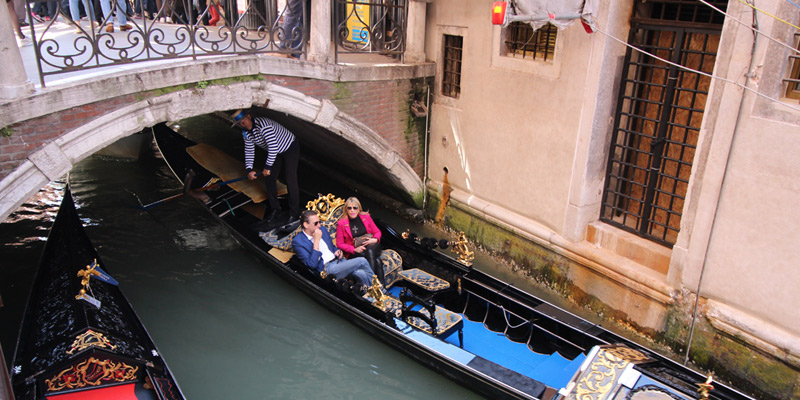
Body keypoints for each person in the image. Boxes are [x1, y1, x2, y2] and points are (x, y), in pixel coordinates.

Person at [231, 107, 299, 224]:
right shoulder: (246, 133)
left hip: (290, 147)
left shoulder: (263, 125)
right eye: (240, 123)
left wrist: (267, 167)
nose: (243, 124)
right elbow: (249, 151)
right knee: (270, 178)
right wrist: (249, 170)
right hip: (276, 152)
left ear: (248, 117)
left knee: (290, 179)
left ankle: (294, 213)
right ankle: (275, 209)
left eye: (244, 121)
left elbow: (273, 148)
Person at [292, 210, 374, 289]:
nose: (319, 225)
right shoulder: (298, 242)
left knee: (361, 274)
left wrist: (337, 251)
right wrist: (316, 241)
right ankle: (380, 290)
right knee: (362, 261)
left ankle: (369, 297)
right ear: (306, 225)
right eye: (316, 223)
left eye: (320, 222)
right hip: (327, 268)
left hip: (339, 261)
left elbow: (332, 247)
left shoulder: (323, 229)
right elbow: (312, 264)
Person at [335, 197, 384, 285]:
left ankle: (371, 283)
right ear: (346, 209)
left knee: (369, 250)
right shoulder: (341, 224)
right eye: (349, 208)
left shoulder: (366, 217)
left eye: (355, 208)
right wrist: (354, 249)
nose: (352, 210)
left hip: (371, 246)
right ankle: (382, 288)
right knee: (377, 261)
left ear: (359, 209)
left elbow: (377, 232)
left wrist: (374, 239)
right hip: (355, 251)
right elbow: (339, 243)